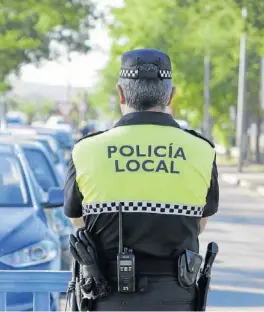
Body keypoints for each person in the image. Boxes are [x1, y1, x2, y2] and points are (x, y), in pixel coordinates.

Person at [63, 48, 219, 311]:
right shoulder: (202, 150)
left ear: (121, 93)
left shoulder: (85, 150)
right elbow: (200, 223)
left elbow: (78, 220)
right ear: (171, 95)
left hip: (105, 298)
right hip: (176, 299)